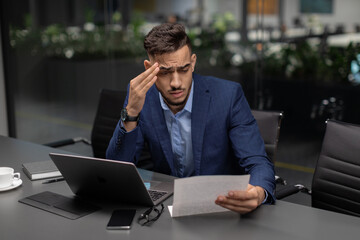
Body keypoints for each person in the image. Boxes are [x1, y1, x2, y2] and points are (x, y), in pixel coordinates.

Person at [106, 23, 275, 214]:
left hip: (220, 208)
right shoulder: (141, 96)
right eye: (165, 72)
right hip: (167, 207)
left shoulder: (228, 96)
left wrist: (259, 193)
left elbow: (257, 161)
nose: (176, 83)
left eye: (184, 69)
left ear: (193, 62)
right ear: (148, 68)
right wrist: (131, 113)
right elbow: (116, 171)